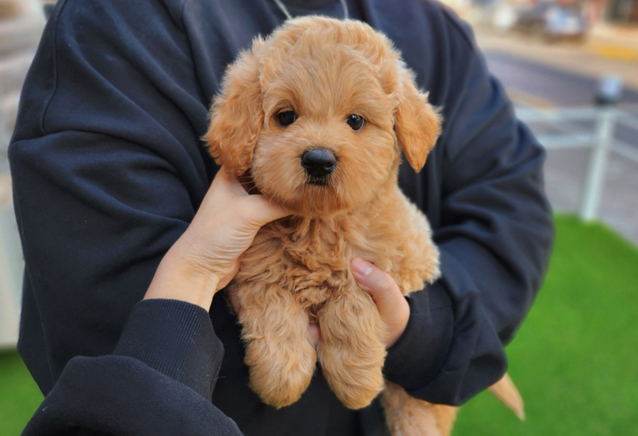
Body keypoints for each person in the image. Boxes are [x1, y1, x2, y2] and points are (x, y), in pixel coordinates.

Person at [8, 0, 554, 435]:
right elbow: (101, 302)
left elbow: (510, 208)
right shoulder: (115, 22)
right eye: (286, 116)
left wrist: (420, 326)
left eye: (356, 121)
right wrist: (238, 292)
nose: (320, 147)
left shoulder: (432, 27)